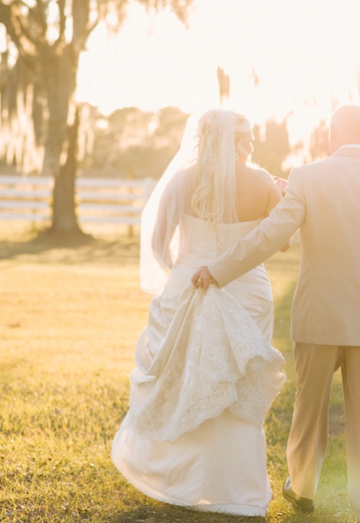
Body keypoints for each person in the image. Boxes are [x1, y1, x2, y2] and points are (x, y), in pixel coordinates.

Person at [193, 104, 360, 523]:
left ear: (330, 136)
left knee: (310, 410)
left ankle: (302, 489)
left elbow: (269, 236)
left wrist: (218, 269)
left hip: (318, 316)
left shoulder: (307, 177)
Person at [111, 109, 288, 516]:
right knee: (238, 387)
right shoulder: (263, 182)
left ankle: (179, 479)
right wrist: (279, 193)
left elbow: (157, 243)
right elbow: (282, 245)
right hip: (248, 293)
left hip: (188, 284)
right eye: (249, 138)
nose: (253, 145)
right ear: (235, 140)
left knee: (184, 380)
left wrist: (185, 266)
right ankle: (236, 486)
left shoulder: (181, 179)